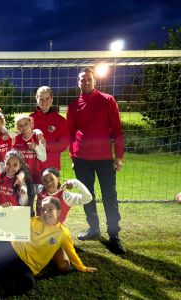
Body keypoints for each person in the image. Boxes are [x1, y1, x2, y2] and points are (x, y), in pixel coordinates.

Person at [0, 196, 96, 293]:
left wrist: (82, 267)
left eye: (50, 209)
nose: (46, 212)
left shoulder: (63, 233)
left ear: (59, 211)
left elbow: (71, 251)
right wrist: (4, 210)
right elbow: (10, 221)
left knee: (27, 283)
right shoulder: (34, 221)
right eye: (43, 209)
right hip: (12, 251)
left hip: (27, 265)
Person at [66, 67, 126, 254]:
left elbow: (116, 130)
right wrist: (73, 157)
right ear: (78, 83)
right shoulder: (74, 105)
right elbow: (69, 134)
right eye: (82, 80)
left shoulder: (107, 100)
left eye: (89, 79)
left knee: (110, 196)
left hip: (104, 159)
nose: (85, 82)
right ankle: (93, 228)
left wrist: (119, 156)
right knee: (87, 196)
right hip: (82, 158)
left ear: (94, 80)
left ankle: (114, 235)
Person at [30, 86, 69, 173]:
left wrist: (46, 145)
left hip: (51, 167)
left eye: (47, 98)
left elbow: (64, 144)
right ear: (36, 99)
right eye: (41, 99)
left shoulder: (60, 121)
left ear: (52, 99)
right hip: (32, 166)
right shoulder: (29, 119)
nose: (44, 102)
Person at [12, 114, 47, 185]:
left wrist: (36, 147)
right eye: (20, 125)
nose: (24, 127)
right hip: (21, 176)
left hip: (36, 175)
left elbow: (43, 158)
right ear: (17, 127)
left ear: (31, 123)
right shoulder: (16, 139)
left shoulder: (38, 137)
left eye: (25, 123)